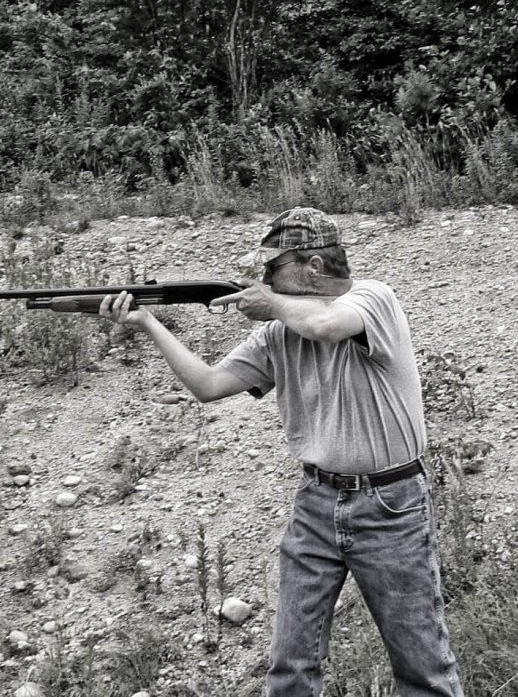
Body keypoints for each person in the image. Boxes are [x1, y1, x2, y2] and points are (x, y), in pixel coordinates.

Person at [98, 207, 463, 696]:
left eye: (273, 268)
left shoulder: (373, 298)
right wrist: (149, 323)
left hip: (389, 503)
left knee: (422, 670)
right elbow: (208, 385)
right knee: (290, 669)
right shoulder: (277, 333)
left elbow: (329, 325)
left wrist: (269, 302)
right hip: (316, 502)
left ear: (313, 265)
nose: (262, 278)